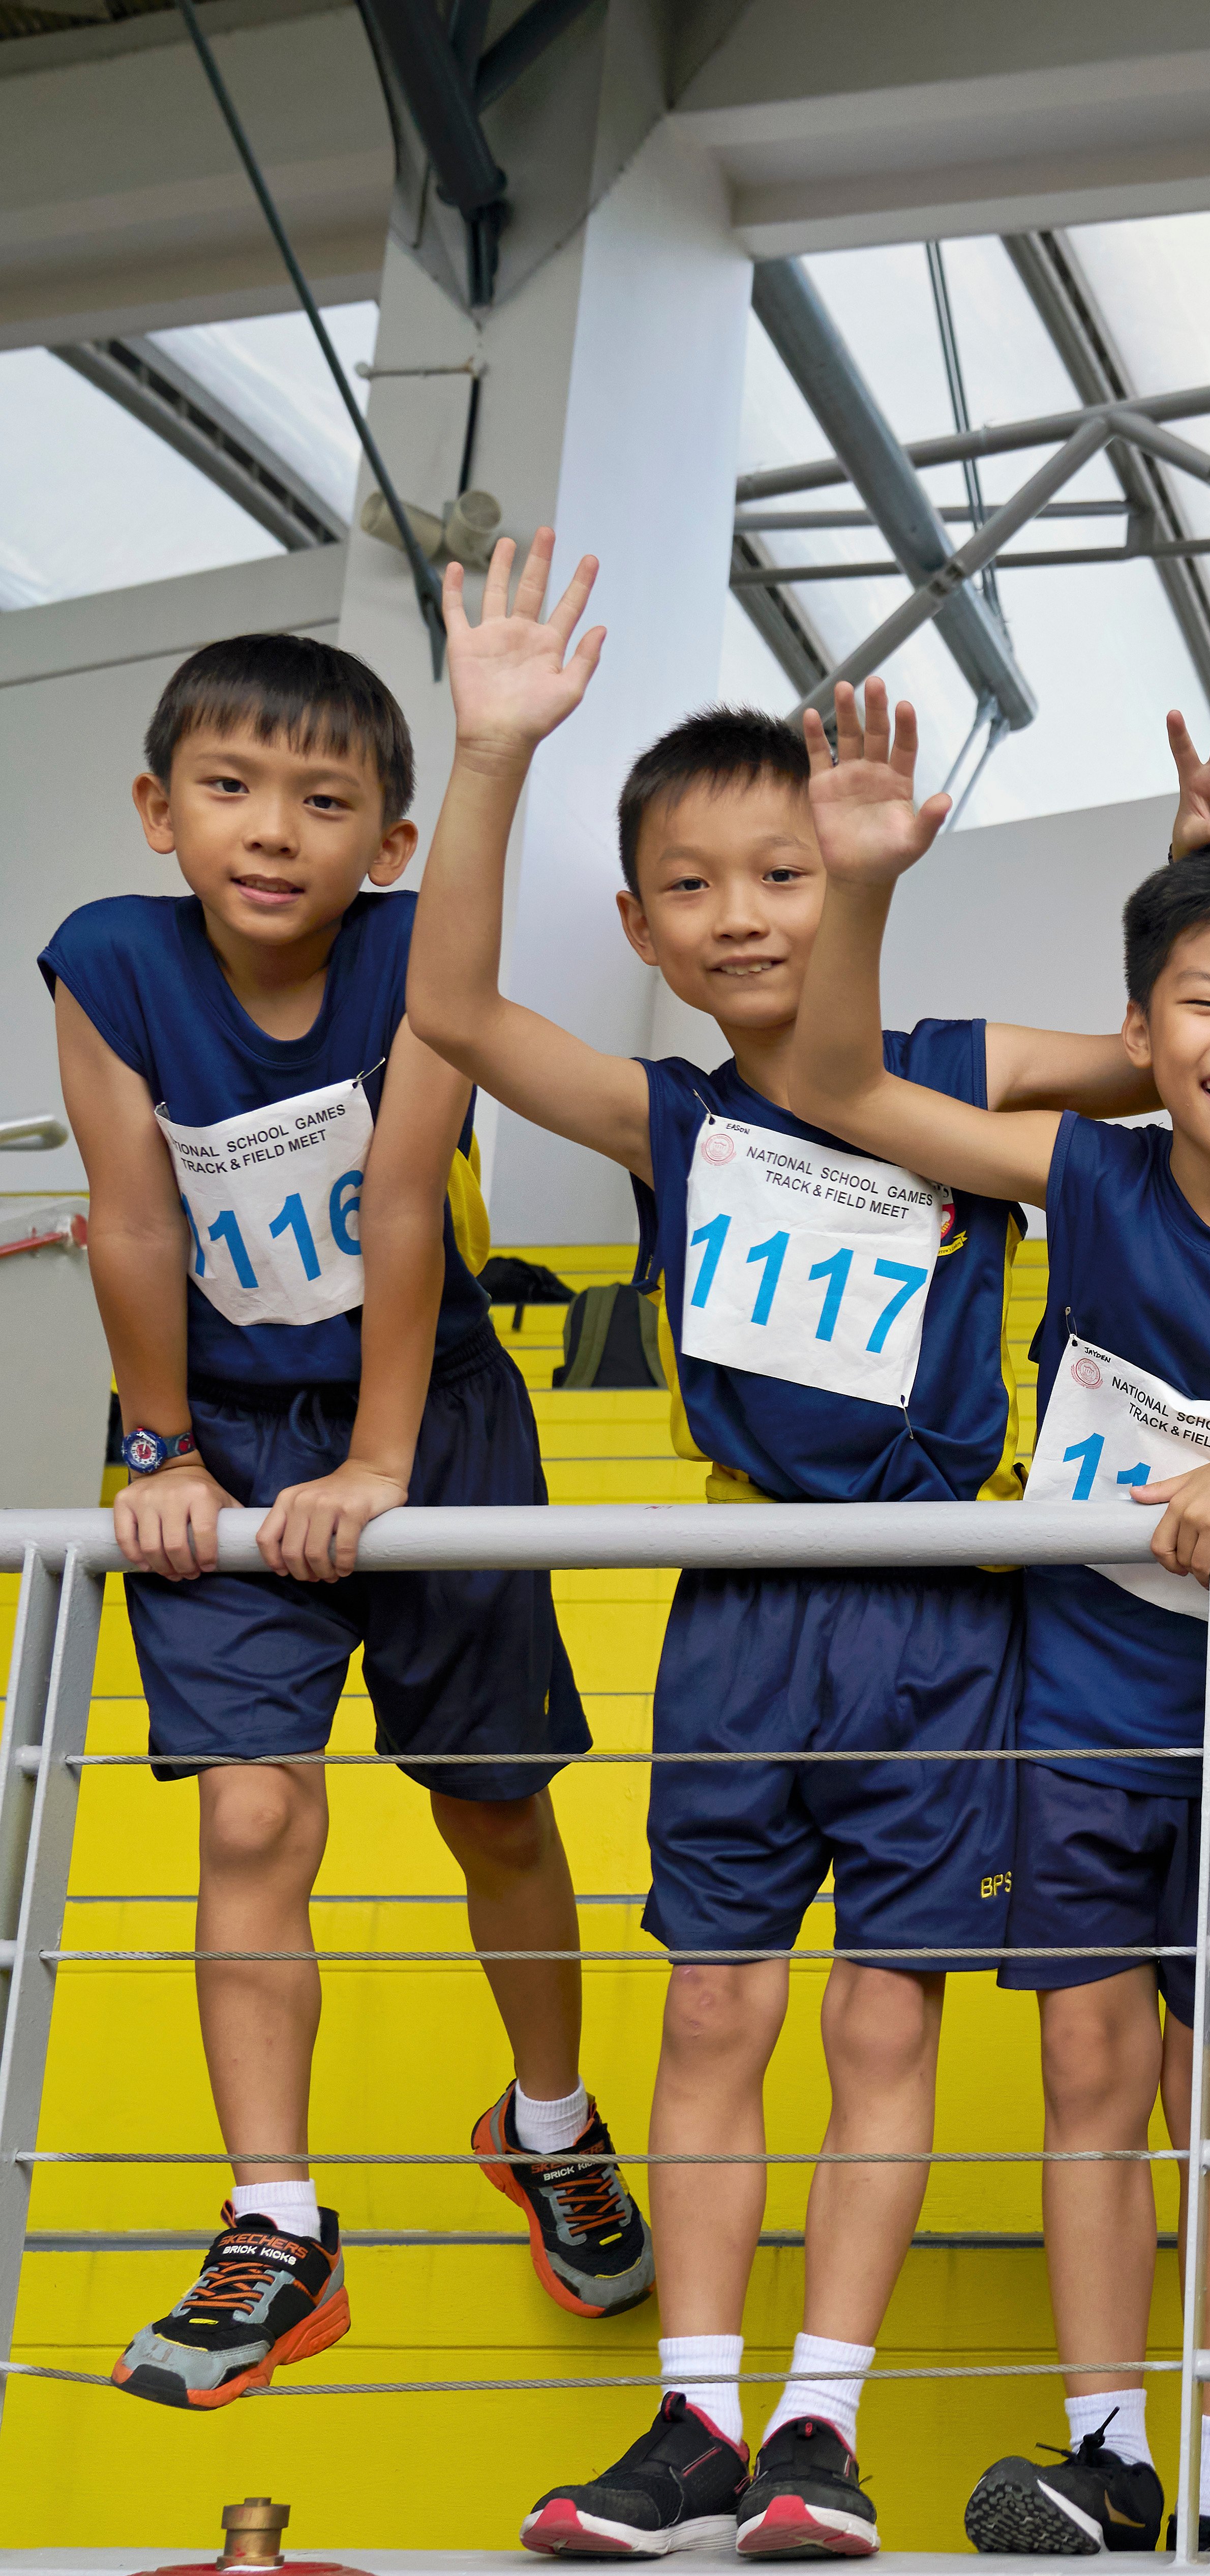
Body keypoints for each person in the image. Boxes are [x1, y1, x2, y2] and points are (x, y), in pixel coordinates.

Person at [405, 538, 1210, 2557]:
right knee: (709, 2015)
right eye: (695, 886)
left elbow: (1191, 1071)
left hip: (949, 1613)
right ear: (645, 930)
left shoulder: (954, 1065)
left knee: (886, 2021)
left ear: (854, 863)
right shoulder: (653, 1115)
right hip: (746, 1608)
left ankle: (818, 2428)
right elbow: (442, 1005)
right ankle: (692, 2414)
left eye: (788, 870)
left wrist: (1200, 880)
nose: (745, 911)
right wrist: (490, 751)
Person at [782, 690, 1210, 2561]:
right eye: (1204, 1003)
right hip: (1068, 1701)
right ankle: (1110, 2453)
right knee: (1083, 2077)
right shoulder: (1087, 1175)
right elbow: (833, 1084)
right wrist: (858, 886)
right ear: (1139, 1037)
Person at [41, 628, 626, 2411]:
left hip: (431, 1413)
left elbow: (397, 1208)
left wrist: (376, 1466)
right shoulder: (111, 965)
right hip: (215, 1422)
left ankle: (548, 2122)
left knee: (494, 1807)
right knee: (248, 1815)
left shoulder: (406, 960)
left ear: (385, 841)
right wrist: (162, 1453)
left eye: (322, 800)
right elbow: (131, 1222)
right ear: (160, 809)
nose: (271, 830)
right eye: (228, 788)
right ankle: (277, 2218)